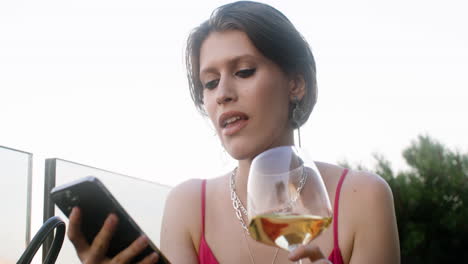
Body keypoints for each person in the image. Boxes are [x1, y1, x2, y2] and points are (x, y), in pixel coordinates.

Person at [68, 1, 400, 263]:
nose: (223, 93)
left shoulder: (362, 199)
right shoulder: (187, 206)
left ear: (295, 84)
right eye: (209, 83)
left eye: (243, 71)